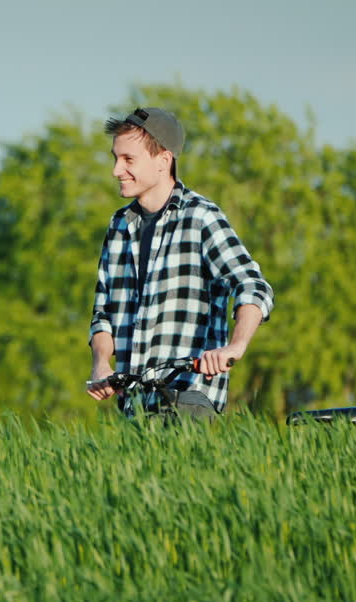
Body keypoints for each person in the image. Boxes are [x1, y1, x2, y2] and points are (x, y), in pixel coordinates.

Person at [86, 107, 274, 420]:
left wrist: (235, 346)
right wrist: (101, 363)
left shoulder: (201, 217)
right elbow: (103, 313)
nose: (116, 170)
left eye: (128, 159)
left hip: (190, 397)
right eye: (115, 158)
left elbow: (252, 285)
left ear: (163, 161)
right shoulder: (118, 226)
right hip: (134, 403)